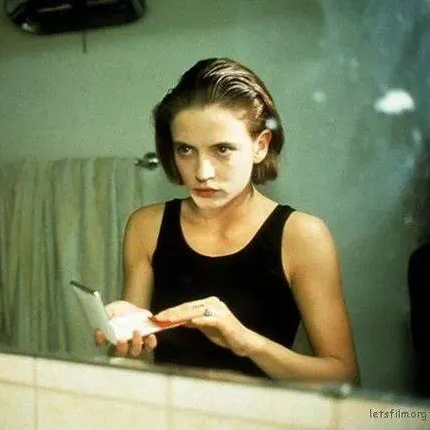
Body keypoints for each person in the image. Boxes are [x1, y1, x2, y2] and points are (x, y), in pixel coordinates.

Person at [95, 57, 360, 384]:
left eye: (222, 149)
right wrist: (124, 338)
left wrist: (246, 342)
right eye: (185, 150)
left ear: (260, 146)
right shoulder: (146, 227)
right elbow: (129, 367)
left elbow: (344, 378)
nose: (202, 173)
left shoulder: (302, 235)